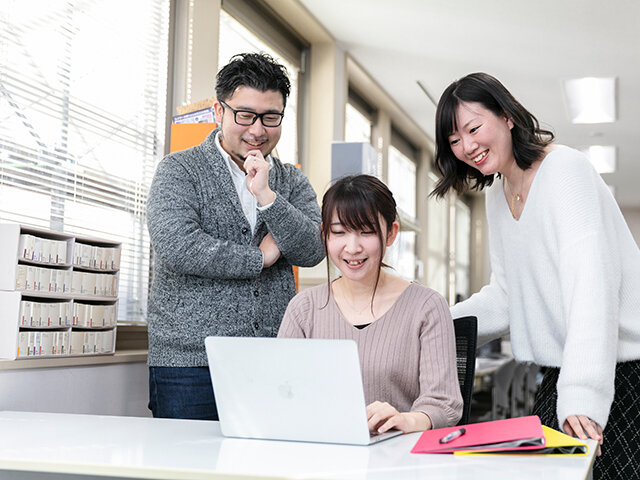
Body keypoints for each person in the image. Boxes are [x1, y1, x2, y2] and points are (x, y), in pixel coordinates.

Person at [432, 72, 640, 479]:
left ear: (507, 116)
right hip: (562, 371)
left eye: (474, 128)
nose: (467, 146)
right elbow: (506, 297)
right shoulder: (498, 194)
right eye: (455, 140)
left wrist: (582, 399)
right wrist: (430, 319)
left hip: (621, 373)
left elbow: (591, 288)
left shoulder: (565, 169)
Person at [146, 52, 325, 420]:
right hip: (190, 363)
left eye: (270, 117)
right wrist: (261, 258)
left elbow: (313, 248)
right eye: (244, 115)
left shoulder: (290, 181)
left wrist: (268, 198)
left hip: (270, 359)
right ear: (218, 111)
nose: (257, 130)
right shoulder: (179, 169)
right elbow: (177, 245)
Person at [278, 175, 463, 434]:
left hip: (397, 457)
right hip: (322, 454)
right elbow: (281, 395)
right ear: (325, 235)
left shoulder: (427, 306)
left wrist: (406, 420)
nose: (352, 248)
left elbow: (444, 404)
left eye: (366, 232)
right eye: (339, 232)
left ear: (391, 233)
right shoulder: (303, 309)